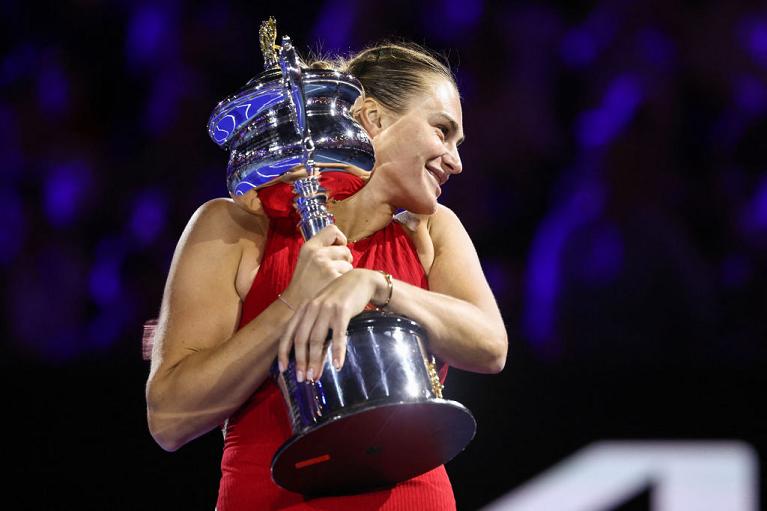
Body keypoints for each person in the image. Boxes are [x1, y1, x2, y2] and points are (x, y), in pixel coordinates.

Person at [145, 42, 508, 510]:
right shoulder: (236, 227)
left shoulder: (434, 231)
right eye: (442, 132)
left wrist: (378, 285)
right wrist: (293, 303)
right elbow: (169, 418)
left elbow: (491, 346)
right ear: (374, 118)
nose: (455, 160)